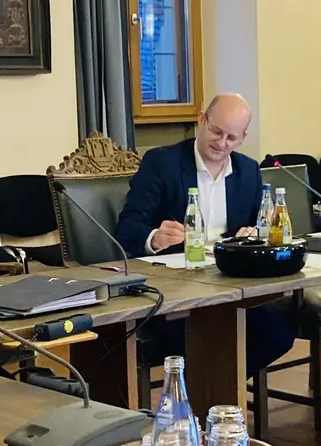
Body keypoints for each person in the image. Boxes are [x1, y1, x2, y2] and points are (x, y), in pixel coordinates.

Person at [115, 93, 296, 371]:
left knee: (278, 333)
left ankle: (217, 392)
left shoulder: (248, 170)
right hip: (177, 292)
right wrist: (154, 237)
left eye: (231, 138)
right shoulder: (162, 163)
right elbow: (127, 228)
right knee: (200, 338)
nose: (222, 143)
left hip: (230, 287)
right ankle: (214, 396)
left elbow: (258, 228)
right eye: (216, 131)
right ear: (202, 120)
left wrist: (254, 236)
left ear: (243, 138)